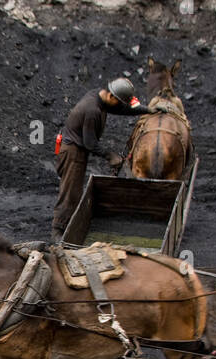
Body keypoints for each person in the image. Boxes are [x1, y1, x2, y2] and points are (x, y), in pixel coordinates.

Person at [51, 77, 156, 239]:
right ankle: (58, 231)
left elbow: (120, 109)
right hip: (72, 151)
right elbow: (90, 143)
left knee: (74, 190)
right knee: (71, 192)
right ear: (112, 97)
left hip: (77, 147)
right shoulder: (92, 110)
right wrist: (110, 155)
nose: (119, 104)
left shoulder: (99, 96)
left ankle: (66, 224)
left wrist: (147, 110)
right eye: (119, 101)